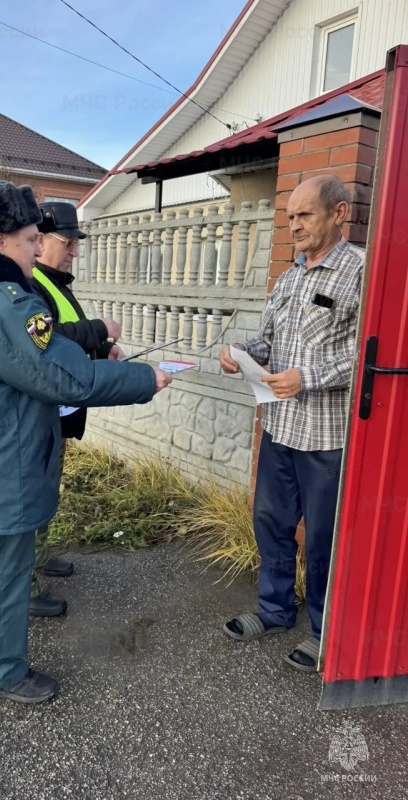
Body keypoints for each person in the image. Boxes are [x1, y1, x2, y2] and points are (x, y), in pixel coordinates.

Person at [0, 181, 172, 704]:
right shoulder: (6, 304)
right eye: (31, 238)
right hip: (0, 462)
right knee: (7, 567)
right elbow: (68, 380)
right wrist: (145, 380)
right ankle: (2, 672)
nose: (41, 247)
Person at [219, 174, 364, 672]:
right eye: (290, 217)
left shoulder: (362, 272)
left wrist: (310, 377)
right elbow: (269, 339)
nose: (294, 226)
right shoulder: (289, 277)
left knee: (323, 538)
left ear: (339, 213)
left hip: (326, 438)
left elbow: (370, 354)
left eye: (304, 215)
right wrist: (242, 352)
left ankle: (327, 634)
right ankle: (275, 609)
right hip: (279, 429)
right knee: (271, 524)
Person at [28, 201, 124, 618]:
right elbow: (41, 336)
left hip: (61, 409)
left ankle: (40, 555)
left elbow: (67, 334)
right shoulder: (29, 285)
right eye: (66, 242)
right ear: (40, 241)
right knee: (33, 495)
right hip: (41, 412)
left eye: (74, 243)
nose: (73, 251)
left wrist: (102, 348)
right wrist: (99, 330)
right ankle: (26, 584)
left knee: (48, 489)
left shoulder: (56, 283)